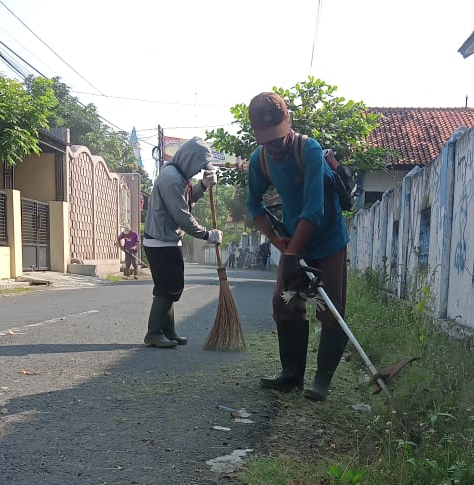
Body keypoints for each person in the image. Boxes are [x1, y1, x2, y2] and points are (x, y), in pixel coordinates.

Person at [245, 91, 350, 401]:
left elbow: (314, 210)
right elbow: (254, 205)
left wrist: (291, 253)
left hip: (328, 240)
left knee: (330, 309)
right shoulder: (260, 159)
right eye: (267, 141)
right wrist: (277, 240)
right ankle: (291, 376)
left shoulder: (310, 150)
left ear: (287, 123)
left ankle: (321, 381)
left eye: (278, 139)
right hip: (294, 241)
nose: (274, 148)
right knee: (285, 304)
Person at [141, 137, 222, 348]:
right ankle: (154, 332)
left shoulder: (177, 176)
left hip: (167, 240)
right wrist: (207, 234)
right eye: (197, 168)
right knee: (168, 287)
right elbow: (182, 215)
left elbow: (187, 200)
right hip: (161, 242)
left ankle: (168, 331)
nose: (197, 172)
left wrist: (202, 186)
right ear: (189, 159)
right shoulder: (171, 179)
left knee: (170, 287)